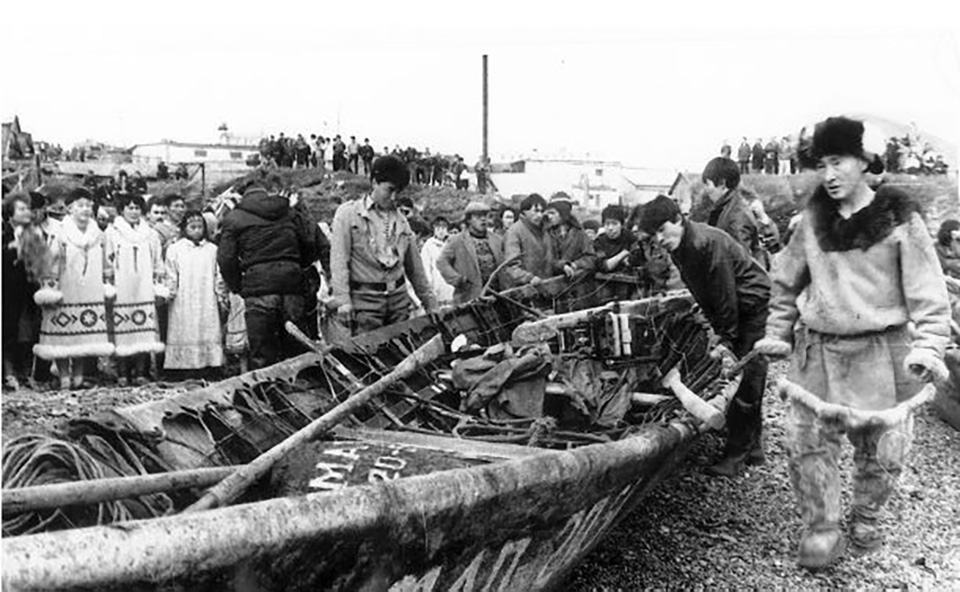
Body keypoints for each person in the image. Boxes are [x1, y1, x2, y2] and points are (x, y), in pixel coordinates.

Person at [753, 116, 951, 569]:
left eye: (838, 161)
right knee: (806, 442)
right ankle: (821, 527)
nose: (829, 174)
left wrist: (930, 344)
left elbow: (928, 290)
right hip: (818, 351)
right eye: (822, 163)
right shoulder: (812, 220)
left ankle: (866, 517)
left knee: (882, 447)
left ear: (865, 162)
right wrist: (777, 331)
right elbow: (785, 281)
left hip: (883, 352)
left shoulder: (900, 217)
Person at [637, 194, 771, 477]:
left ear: (678, 219)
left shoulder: (705, 243)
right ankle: (753, 448)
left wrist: (725, 340)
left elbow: (725, 297)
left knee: (742, 377)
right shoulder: (681, 247)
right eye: (653, 234)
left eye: (662, 230)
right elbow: (704, 291)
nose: (659, 239)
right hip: (737, 306)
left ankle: (736, 455)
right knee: (747, 374)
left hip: (750, 306)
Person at [329, 155, 437, 335]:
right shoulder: (348, 215)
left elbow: (415, 267)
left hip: (399, 305)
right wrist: (343, 301)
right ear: (374, 183)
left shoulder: (402, 220)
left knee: (402, 356)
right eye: (390, 190)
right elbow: (339, 261)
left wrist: (430, 303)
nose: (394, 197)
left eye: (399, 191)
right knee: (368, 358)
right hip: (365, 306)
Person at [218, 179, 318, 369]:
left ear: (242, 195)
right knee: (296, 349)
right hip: (292, 286)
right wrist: (295, 268)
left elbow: (225, 258)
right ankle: (299, 393)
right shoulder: (289, 212)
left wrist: (238, 285)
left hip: (258, 288)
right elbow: (309, 244)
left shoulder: (234, 217)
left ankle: (267, 394)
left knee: (262, 354)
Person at [33, 187, 115, 390]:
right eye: (80, 205)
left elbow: (106, 263)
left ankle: (78, 376)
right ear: (70, 209)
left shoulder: (98, 234)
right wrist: (50, 289)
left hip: (90, 291)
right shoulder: (60, 233)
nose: (85, 210)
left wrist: (107, 283)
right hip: (65, 288)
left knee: (84, 336)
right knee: (63, 337)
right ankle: (63, 377)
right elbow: (50, 263)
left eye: (89, 205)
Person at [104, 193, 165, 386]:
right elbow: (107, 261)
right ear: (122, 210)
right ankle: (122, 372)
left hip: (144, 288)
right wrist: (109, 284)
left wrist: (157, 284)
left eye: (137, 208)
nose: (133, 211)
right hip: (122, 288)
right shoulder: (112, 232)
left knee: (144, 330)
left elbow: (157, 262)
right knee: (123, 328)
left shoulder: (151, 234)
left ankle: (141, 371)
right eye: (129, 207)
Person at [164, 211, 225, 378]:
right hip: (183, 298)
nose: (197, 230)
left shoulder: (213, 250)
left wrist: (220, 295)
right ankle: (183, 367)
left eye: (200, 227)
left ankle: (210, 365)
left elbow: (218, 275)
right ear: (185, 228)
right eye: (192, 227)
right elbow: (171, 274)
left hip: (207, 297)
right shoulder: (175, 249)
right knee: (185, 328)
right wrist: (170, 292)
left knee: (207, 327)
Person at [437, 201, 504, 305]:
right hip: (469, 298)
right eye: (478, 216)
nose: (483, 219)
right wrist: (458, 280)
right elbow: (441, 262)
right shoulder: (457, 241)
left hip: (497, 297)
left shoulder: (497, 240)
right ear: (468, 219)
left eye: (485, 215)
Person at [701, 156, 763, 263]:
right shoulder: (725, 209)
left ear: (722, 183)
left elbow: (741, 263)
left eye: (707, 184)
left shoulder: (737, 215)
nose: (706, 190)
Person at [502, 193, 556, 289]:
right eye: (535, 211)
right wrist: (529, 278)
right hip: (522, 292)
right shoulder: (514, 232)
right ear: (524, 211)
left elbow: (550, 261)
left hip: (546, 289)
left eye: (542, 211)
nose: (539, 215)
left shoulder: (546, 232)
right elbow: (511, 267)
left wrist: (562, 266)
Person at [545, 199, 596, 279]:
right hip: (551, 280)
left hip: (574, 282)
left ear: (562, 214)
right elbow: (545, 259)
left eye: (552, 213)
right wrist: (562, 265)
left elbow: (591, 258)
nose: (549, 216)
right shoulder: (546, 234)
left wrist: (575, 265)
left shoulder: (579, 234)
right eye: (548, 213)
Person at [420, 216, 455, 307]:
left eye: (443, 228)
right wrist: (429, 285)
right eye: (438, 228)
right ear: (434, 229)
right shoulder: (429, 245)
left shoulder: (453, 243)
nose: (441, 231)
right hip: (437, 284)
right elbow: (425, 267)